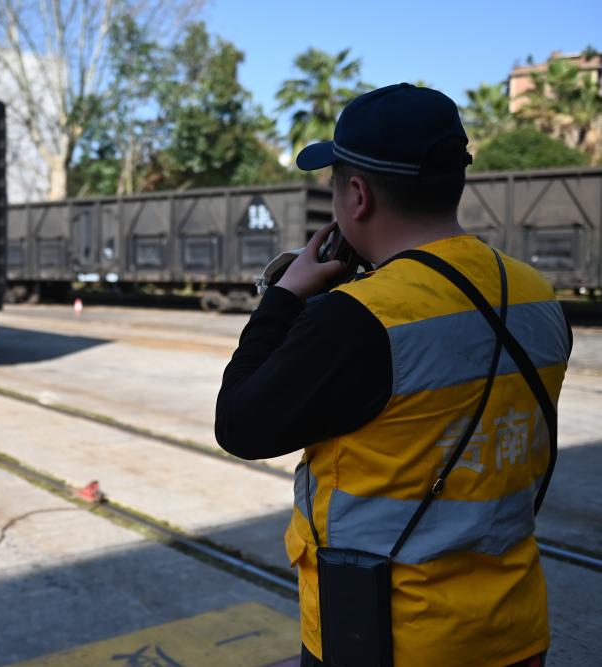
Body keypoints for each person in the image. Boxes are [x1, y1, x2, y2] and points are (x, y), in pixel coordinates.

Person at [215, 83, 571, 667]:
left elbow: (239, 425)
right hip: (513, 629)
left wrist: (283, 299)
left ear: (356, 196)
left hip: (387, 638)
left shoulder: (357, 318)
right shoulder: (537, 295)